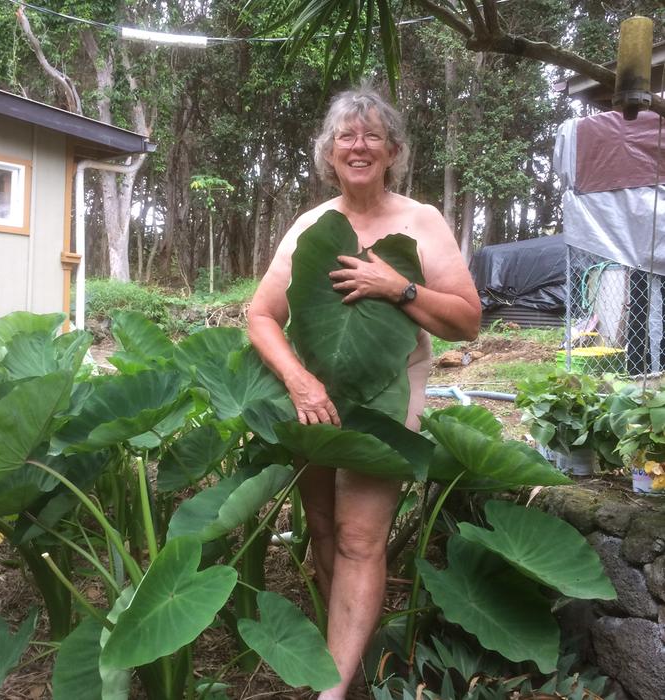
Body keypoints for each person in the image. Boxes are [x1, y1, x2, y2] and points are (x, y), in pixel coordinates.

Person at [247, 86, 480, 699]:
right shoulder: (311, 225)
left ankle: (329, 692)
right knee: (323, 527)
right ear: (329, 152)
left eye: (372, 135)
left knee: (358, 538)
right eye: (346, 136)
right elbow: (261, 315)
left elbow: (466, 319)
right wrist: (299, 381)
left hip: (387, 386)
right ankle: (341, 670)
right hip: (315, 392)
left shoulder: (420, 220)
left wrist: (396, 286)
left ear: (392, 150)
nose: (358, 146)